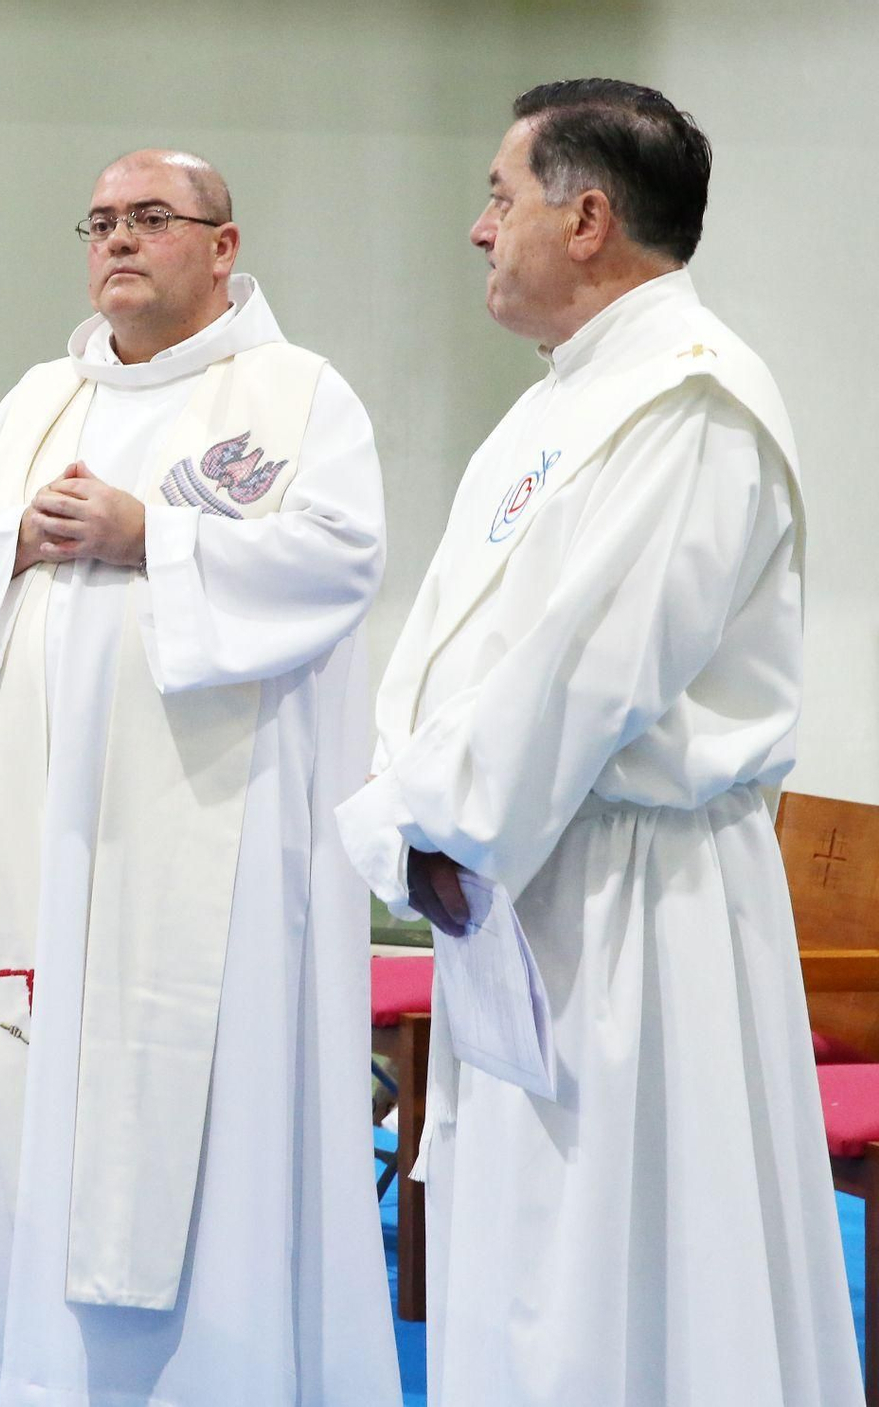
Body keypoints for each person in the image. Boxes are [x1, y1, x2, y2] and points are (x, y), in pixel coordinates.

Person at [334, 79, 860, 1406]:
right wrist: (408, 795)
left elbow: (587, 674)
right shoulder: (562, 403)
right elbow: (459, 645)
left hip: (640, 903)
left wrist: (425, 822)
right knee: (525, 1260)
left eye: (499, 196)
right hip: (528, 888)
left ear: (587, 216)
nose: (476, 228)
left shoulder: (691, 404)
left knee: (620, 1269)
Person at [0, 149, 399, 1406]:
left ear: (222, 246)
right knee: (33, 1094)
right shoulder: (35, 402)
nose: (117, 240)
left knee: (203, 1113)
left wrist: (152, 541)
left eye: (150, 219)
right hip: (41, 832)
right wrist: (13, 534)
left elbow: (339, 558)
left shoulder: (295, 394)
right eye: (101, 222)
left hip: (206, 840)